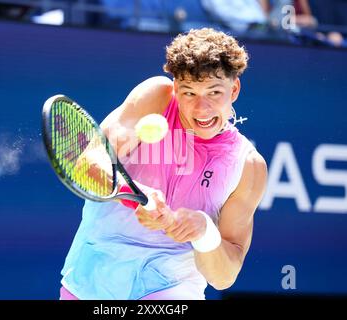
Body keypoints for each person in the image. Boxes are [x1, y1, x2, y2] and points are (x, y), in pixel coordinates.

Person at [59, 28, 268, 300]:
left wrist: (204, 231)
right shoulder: (155, 96)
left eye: (214, 92)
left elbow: (224, 277)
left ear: (235, 89)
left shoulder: (249, 166)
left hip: (170, 286)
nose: (201, 109)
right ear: (175, 89)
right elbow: (86, 166)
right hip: (93, 277)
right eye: (189, 93)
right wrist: (136, 196)